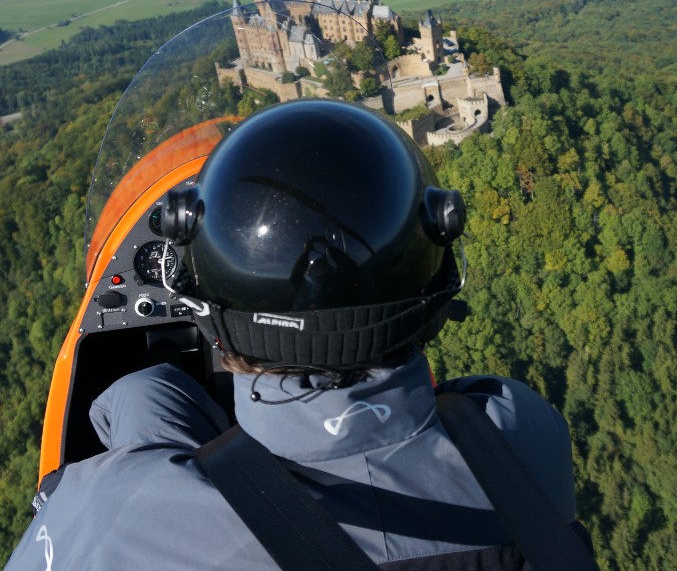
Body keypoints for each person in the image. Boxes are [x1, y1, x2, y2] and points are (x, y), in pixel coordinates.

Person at [6, 100, 589, 570]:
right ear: (433, 287)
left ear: (210, 314)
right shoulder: (520, 436)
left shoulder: (112, 515)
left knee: (142, 393)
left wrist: (132, 467)